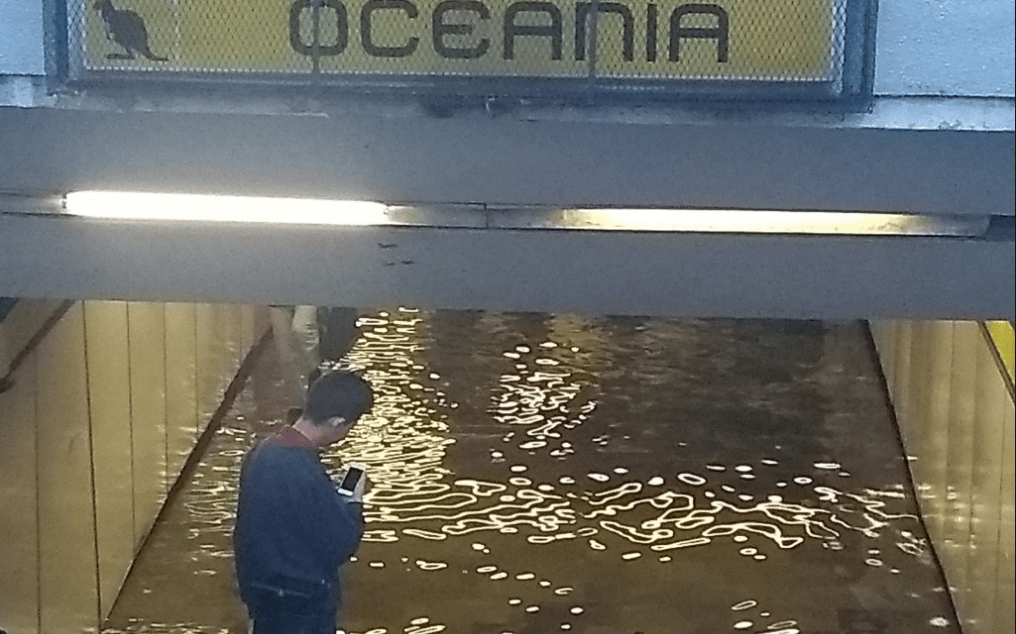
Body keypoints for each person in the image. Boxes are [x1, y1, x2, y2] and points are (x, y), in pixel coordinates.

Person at [233, 370, 373, 634]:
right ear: (336, 422)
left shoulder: (263, 451)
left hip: (262, 591)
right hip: (302, 599)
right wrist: (353, 503)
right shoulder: (304, 470)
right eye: (349, 426)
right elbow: (340, 544)